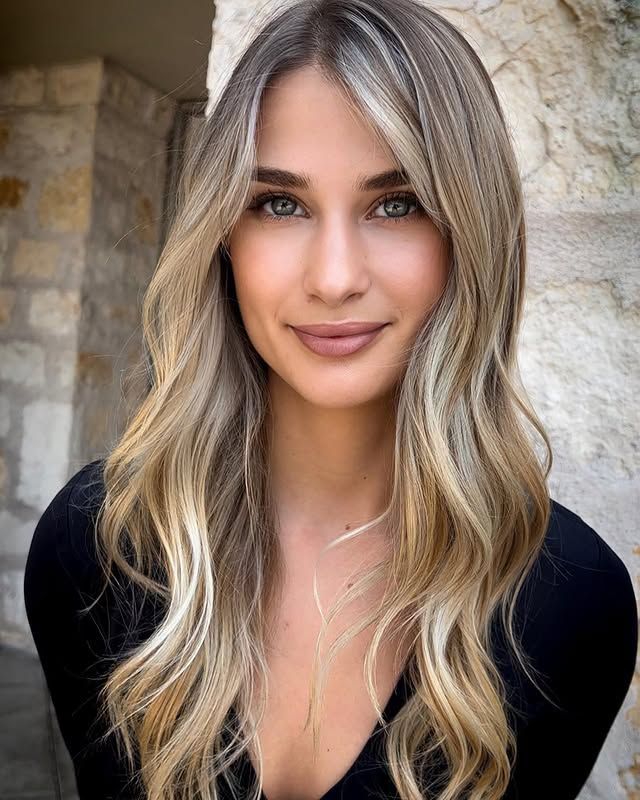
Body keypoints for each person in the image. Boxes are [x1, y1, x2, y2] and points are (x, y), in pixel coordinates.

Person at [23, 1, 638, 799]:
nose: (335, 275)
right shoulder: (94, 548)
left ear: (470, 239)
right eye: (280, 203)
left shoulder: (572, 603)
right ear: (223, 238)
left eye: (398, 202)